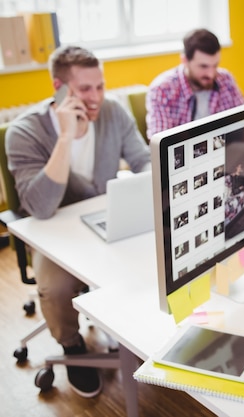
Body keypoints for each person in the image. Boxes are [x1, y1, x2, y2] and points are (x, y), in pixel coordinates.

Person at [6, 45, 151, 398]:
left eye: (100, 86)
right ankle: (72, 348)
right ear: (60, 87)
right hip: (55, 234)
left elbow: (145, 162)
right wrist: (67, 136)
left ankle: (137, 331)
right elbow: (40, 206)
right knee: (55, 288)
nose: (97, 97)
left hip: (105, 222)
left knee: (152, 254)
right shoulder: (25, 132)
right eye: (85, 89)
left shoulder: (113, 112)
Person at [146, 28, 244, 139]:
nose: (211, 74)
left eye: (215, 65)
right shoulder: (162, 90)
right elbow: (160, 146)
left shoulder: (225, 80)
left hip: (226, 151)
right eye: (203, 66)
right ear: (184, 60)